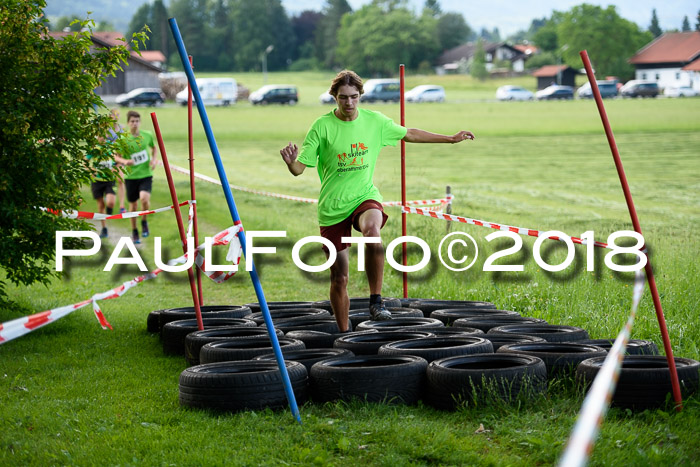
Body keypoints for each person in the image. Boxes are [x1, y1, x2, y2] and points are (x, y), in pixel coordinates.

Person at [280, 70, 474, 332]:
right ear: (334, 97)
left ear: (360, 96)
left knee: (372, 232)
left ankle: (376, 300)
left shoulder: (375, 122)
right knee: (340, 278)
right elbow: (299, 169)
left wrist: (450, 138)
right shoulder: (322, 127)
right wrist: (291, 162)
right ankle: (344, 334)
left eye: (354, 97)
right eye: (343, 98)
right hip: (332, 207)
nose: (349, 103)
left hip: (364, 196)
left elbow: (410, 134)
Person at [118, 110, 158, 244]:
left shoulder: (147, 135)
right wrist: (124, 162)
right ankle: (135, 230)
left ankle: (144, 222)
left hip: (146, 174)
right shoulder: (123, 139)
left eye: (137, 121)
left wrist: (154, 160)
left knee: (144, 199)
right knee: (133, 206)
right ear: (128, 123)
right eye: (132, 121)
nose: (135, 124)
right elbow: (115, 155)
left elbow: (154, 148)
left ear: (140, 122)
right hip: (131, 176)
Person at [86, 136, 117, 238]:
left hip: (109, 180)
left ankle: (109, 209)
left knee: (110, 202)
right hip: (97, 181)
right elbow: (85, 161)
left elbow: (117, 160)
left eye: (103, 135)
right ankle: (104, 228)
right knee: (100, 205)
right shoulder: (94, 149)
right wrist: (91, 170)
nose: (102, 138)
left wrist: (115, 167)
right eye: (100, 136)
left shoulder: (110, 147)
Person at [107, 108, 127, 214]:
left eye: (117, 115)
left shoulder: (121, 128)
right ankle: (109, 198)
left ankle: (122, 206)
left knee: (120, 180)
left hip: (119, 159)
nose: (116, 117)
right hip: (108, 159)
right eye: (114, 115)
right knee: (110, 181)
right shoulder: (106, 130)